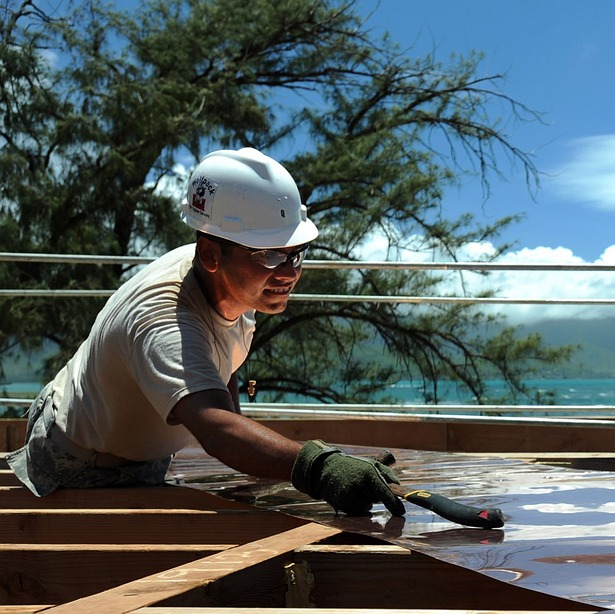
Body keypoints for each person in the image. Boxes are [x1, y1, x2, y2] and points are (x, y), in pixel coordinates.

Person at [2, 147, 403, 517]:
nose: (288, 271)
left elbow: (222, 370)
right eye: (270, 254)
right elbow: (214, 426)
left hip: (141, 458)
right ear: (210, 254)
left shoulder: (235, 282)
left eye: (296, 253)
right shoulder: (163, 318)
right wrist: (322, 468)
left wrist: (254, 456)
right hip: (78, 466)